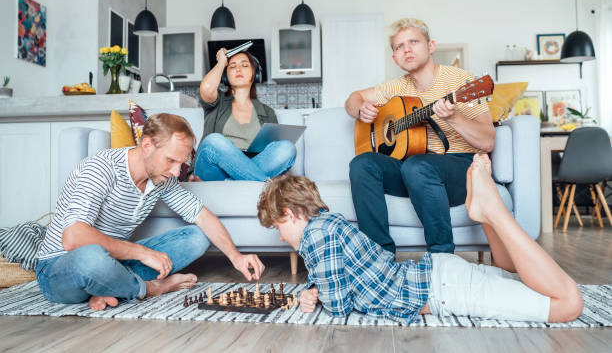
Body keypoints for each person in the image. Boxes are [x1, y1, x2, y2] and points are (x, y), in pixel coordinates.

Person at [256, 156, 583, 324]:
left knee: (568, 305)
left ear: (292, 213)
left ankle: (493, 209)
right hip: (441, 273)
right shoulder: (328, 222)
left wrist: (312, 299)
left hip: (446, 290)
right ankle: (487, 217)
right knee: (518, 275)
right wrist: (315, 289)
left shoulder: (314, 237)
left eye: (278, 227)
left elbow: (338, 307)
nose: (282, 237)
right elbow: (334, 275)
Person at [35, 113, 265, 311]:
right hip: (58, 267)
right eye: (171, 160)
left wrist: (236, 256)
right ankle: (148, 289)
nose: (176, 172)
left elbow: (202, 216)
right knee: (92, 259)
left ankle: (112, 287)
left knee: (197, 238)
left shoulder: (162, 179)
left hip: (115, 263)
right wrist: (142, 253)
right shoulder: (101, 168)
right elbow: (73, 238)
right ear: (147, 146)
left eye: (182, 164)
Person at [345, 18, 496, 255]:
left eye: (414, 41)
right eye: (399, 46)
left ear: (431, 46)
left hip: (461, 170)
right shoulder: (396, 88)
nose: (407, 49)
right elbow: (353, 98)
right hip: (413, 173)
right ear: (394, 58)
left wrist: (453, 118)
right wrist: (360, 108)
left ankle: (442, 258)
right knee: (362, 164)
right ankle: (378, 256)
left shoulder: (461, 81)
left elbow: (488, 141)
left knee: (417, 166)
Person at [191, 49, 296, 181]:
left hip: (252, 166)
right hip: (214, 171)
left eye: (245, 65)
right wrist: (221, 62)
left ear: (255, 74)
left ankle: (235, 182)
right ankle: (261, 183)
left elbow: (272, 153)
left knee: (287, 148)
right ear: (225, 76)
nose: (238, 69)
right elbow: (206, 89)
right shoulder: (218, 102)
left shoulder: (267, 112)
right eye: (232, 66)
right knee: (214, 141)